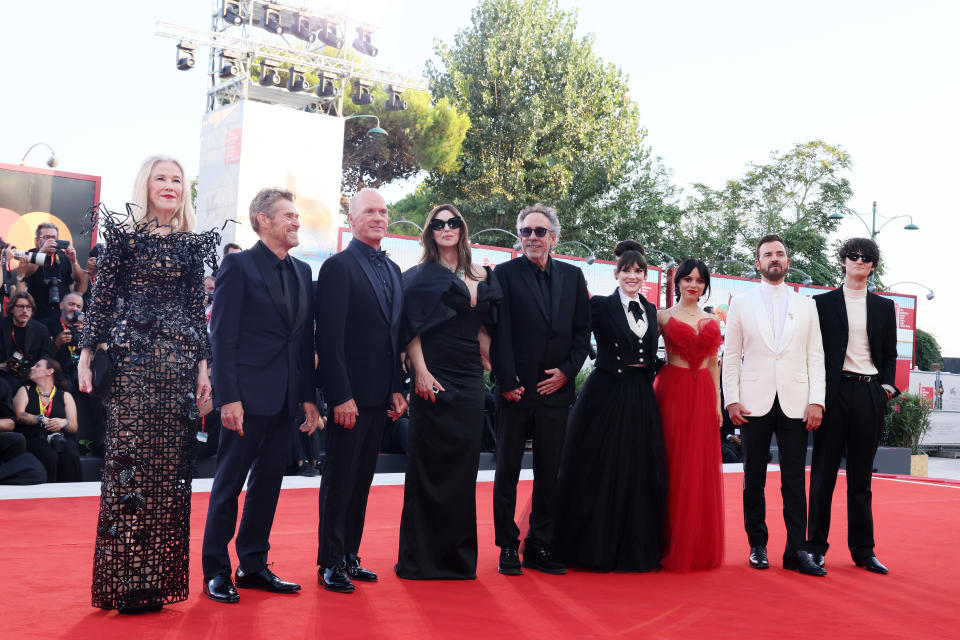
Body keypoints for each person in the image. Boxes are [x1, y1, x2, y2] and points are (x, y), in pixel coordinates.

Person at [77, 154, 220, 613]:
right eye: (162, 178)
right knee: (129, 466)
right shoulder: (124, 239)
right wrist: (85, 355)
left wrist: (203, 369)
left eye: (177, 180)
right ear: (147, 185)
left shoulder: (192, 245)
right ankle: (124, 578)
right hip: (133, 368)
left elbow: (196, 315)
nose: (170, 185)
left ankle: (153, 579)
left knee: (169, 471)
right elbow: (100, 302)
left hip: (177, 368)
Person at [201, 188, 319, 603]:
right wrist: (227, 396)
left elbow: (303, 342)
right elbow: (222, 336)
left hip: (286, 400)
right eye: (287, 215)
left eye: (296, 215)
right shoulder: (239, 265)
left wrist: (308, 397)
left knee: (268, 484)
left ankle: (252, 564)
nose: (295, 221)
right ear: (262, 221)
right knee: (228, 485)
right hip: (245, 399)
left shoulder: (303, 272)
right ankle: (215, 569)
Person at [395, 204, 501, 580]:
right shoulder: (420, 277)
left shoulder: (482, 273)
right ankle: (420, 560)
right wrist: (420, 373)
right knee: (428, 465)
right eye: (438, 224)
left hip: (471, 378)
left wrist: (496, 364)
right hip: (434, 373)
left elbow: (482, 328)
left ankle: (457, 560)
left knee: (463, 468)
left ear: (462, 228)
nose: (446, 228)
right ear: (429, 232)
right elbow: (411, 329)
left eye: (452, 222)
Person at [491, 203, 591, 576]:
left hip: (555, 392)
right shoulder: (503, 274)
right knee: (507, 472)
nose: (532, 238)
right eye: (526, 232)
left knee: (550, 473)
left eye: (539, 231)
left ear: (553, 236)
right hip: (514, 392)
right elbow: (497, 334)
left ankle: (540, 545)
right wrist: (506, 381)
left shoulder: (573, 276)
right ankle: (506, 547)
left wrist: (567, 372)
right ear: (519, 237)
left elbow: (583, 333)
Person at [316, 187, 407, 593]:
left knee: (363, 480)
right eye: (369, 211)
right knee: (339, 479)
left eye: (384, 211)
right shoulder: (338, 267)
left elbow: (394, 338)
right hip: (348, 398)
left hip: (379, 397)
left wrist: (396, 388)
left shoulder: (392, 270)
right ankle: (329, 562)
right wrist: (339, 396)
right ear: (350, 219)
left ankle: (350, 555)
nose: (378, 217)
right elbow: (329, 340)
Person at [554, 240, 666, 572]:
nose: (632, 276)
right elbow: (576, 334)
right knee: (597, 467)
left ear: (645, 275)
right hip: (605, 393)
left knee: (637, 468)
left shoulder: (650, 310)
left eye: (638, 271)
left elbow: (649, 354)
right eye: (626, 270)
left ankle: (631, 548)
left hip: (641, 395)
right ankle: (591, 546)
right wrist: (564, 367)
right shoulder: (601, 306)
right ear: (615, 273)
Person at [722, 234, 826, 577]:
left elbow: (815, 357)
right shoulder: (741, 303)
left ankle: (798, 549)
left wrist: (817, 401)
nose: (774, 259)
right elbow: (732, 356)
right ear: (758, 263)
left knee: (795, 479)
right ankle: (757, 545)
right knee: (753, 477)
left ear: (787, 260)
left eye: (780, 253)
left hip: (797, 403)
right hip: (753, 403)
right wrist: (731, 400)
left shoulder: (807, 305)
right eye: (768, 255)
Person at [807, 238, 899, 575]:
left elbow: (890, 354)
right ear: (843, 261)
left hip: (868, 394)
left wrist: (885, 389)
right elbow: (813, 353)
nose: (859, 261)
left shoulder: (883, 308)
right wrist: (815, 397)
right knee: (823, 476)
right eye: (853, 256)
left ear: (873, 266)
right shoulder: (821, 304)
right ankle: (815, 548)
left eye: (866, 258)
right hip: (833, 394)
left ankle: (864, 551)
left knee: (861, 481)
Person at [654, 258, 724, 572]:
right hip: (670, 392)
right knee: (670, 463)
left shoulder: (712, 322)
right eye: (687, 279)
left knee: (696, 468)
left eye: (699, 280)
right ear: (677, 282)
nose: (693, 285)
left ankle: (693, 542)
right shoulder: (662, 316)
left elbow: (713, 365)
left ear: (705, 286)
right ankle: (661, 540)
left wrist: (718, 403)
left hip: (703, 395)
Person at [13, 356, 81, 482]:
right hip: (34, 436)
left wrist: (63, 422)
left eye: (37, 366)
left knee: (70, 454)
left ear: (50, 371)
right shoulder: (25, 390)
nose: (32, 368)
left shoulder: (65, 395)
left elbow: (74, 426)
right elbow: (18, 415)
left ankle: (72, 497)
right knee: (48, 454)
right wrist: (39, 419)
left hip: (59, 436)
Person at [19, 222, 85, 323]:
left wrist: (73, 261)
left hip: (60, 312)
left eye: (53, 237)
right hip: (37, 310)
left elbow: (78, 278)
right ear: (37, 240)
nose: (50, 240)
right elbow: (26, 272)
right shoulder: (31, 254)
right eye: (46, 237)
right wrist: (43, 251)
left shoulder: (63, 256)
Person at [0, 291, 55, 392]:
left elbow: (46, 355)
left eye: (28, 307)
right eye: (20, 306)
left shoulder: (41, 330)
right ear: (12, 309)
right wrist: (4, 365)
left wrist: (35, 370)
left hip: (31, 374)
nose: (24, 310)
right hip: (4, 374)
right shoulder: (2, 326)